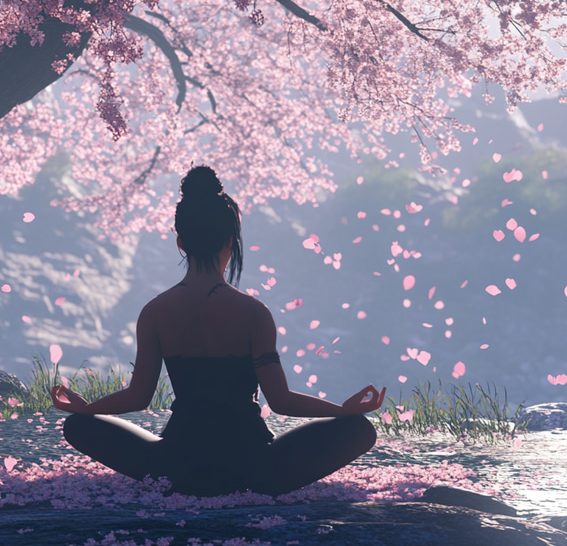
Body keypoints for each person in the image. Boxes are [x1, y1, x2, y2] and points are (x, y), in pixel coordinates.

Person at [52, 165, 385, 497]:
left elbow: (138, 396)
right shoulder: (254, 312)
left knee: (78, 426)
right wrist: (342, 411)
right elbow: (281, 401)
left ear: (181, 242)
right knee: (358, 430)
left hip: (177, 465)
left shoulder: (155, 311)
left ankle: (176, 482)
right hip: (255, 467)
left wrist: (86, 409)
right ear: (230, 240)